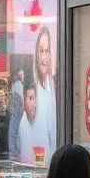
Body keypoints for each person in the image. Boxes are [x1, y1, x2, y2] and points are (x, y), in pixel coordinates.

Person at [34, 26, 58, 163]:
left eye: (47, 51)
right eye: (41, 51)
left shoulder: (56, 86)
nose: (43, 57)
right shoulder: (35, 90)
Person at [17, 80, 54, 165]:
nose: (34, 103)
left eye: (35, 99)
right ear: (24, 100)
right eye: (30, 98)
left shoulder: (43, 119)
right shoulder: (22, 122)